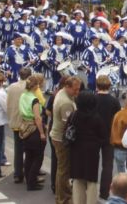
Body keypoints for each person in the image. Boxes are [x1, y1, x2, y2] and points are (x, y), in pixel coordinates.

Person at [50, 76, 82, 204]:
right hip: (61, 139)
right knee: (63, 170)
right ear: (67, 87)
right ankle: (63, 198)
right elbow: (68, 125)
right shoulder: (66, 103)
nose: (77, 92)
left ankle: (61, 195)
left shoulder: (62, 93)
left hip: (56, 136)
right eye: (75, 89)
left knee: (61, 169)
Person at [70, 91, 105, 204]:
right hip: (92, 152)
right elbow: (103, 136)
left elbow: (68, 131)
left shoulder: (74, 115)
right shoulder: (96, 118)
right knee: (91, 181)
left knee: (78, 179)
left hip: (76, 150)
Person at [95, 75, 121, 200]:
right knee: (107, 165)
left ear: (97, 86)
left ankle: (90, 187)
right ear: (109, 86)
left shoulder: (93, 99)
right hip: (109, 135)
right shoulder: (114, 101)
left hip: (93, 135)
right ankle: (104, 192)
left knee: (92, 162)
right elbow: (118, 119)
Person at [19, 75, 46, 190]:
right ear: (35, 86)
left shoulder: (23, 95)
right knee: (37, 157)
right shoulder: (34, 99)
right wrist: (42, 133)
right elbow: (37, 118)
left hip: (25, 128)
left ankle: (29, 180)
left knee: (29, 156)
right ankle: (32, 182)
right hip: (34, 129)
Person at [7, 67, 32, 183]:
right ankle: (29, 172)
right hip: (26, 122)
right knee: (30, 149)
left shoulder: (11, 87)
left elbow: (8, 103)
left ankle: (18, 173)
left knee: (18, 149)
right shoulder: (29, 88)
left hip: (14, 120)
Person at [45, 76, 69, 194]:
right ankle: (58, 185)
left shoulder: (55, 95)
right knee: (61, 161)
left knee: (55, 159)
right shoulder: (60, 97)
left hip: (52, 127)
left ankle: (54, 184)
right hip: (58, 131)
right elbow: (48, 111)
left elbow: (47, 111)